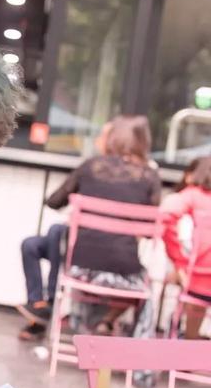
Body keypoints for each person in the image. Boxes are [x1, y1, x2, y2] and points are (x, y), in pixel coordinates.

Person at [43, 115, 161, 335]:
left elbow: (53, 201)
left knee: (63, 242)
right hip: (124, 273)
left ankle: (80, 328)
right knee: (145, 286)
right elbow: (150, 229)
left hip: (81, 269)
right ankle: (138, 364)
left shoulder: (90, 166)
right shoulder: (150, 176)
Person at [16, 122, 112, 341]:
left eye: (103, 136)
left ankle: (47, 306)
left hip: (88, 250)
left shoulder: (91, 168)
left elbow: (54, 201)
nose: (97, 140)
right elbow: (54, 201)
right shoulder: (95, 168)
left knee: (57, 231)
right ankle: (38, 304)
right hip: (72, 242)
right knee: (31, 244)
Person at [161, 156, 211, 339]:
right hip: (200, 281)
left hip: (197, 282)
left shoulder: (192, 195)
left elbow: (166, 217)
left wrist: (179, 262)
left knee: (192, 288)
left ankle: (189, 345)